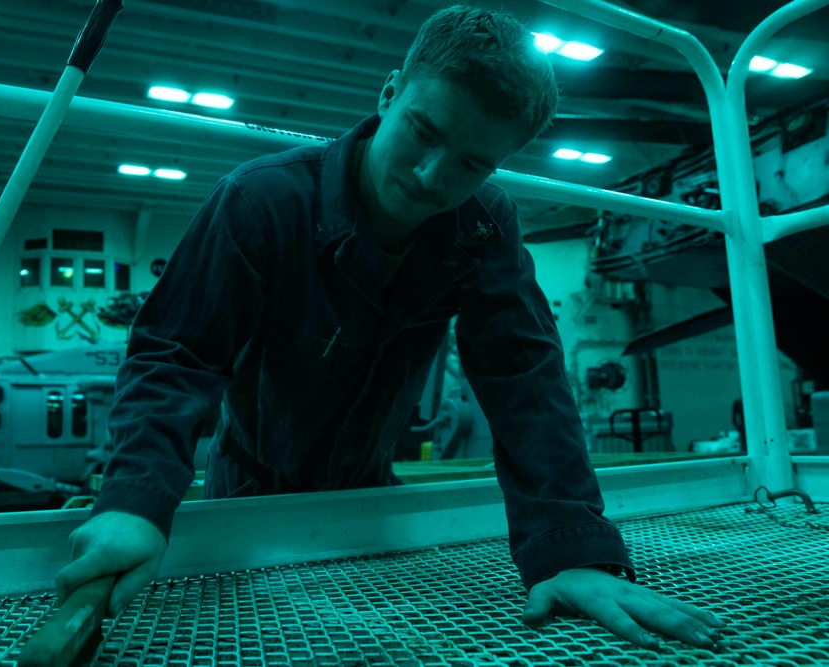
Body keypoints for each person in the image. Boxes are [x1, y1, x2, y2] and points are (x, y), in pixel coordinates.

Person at [56, 4, 726, 652]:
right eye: (423, 132)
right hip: (247, 496)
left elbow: (526, 380)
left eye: (471, 163)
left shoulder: (482, 225)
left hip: (371, 497)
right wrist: (135, 501)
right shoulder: (260, 200)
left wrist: (572, 550)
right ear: (388, 92)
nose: (433, 176)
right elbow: (178, 355)